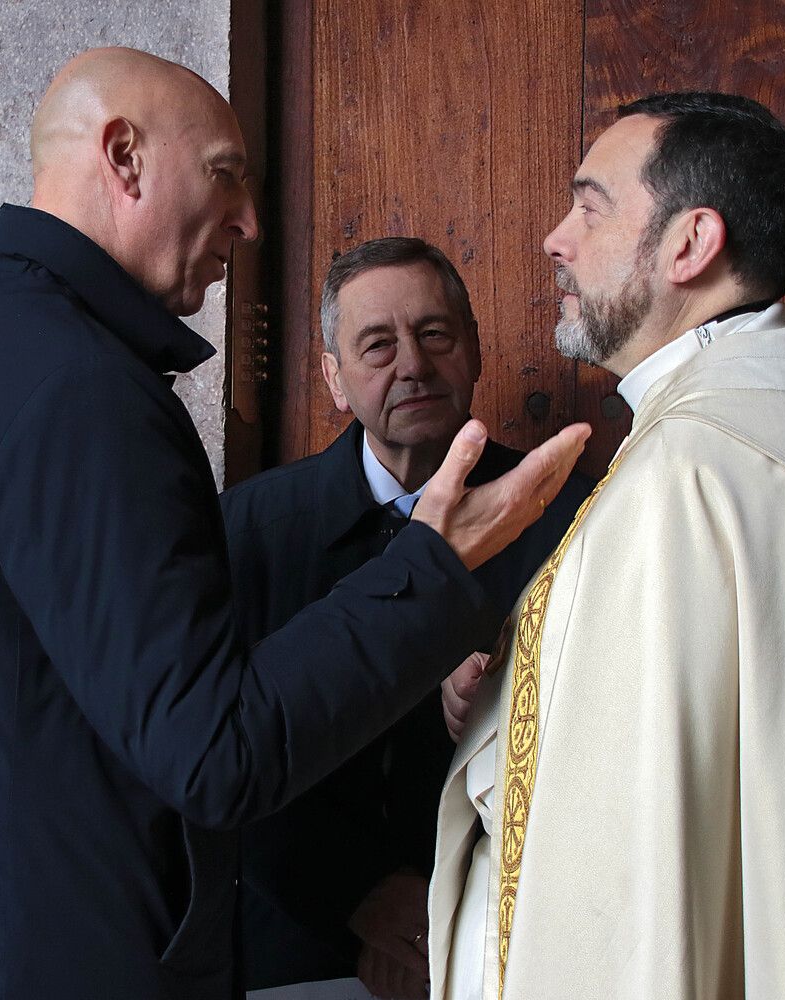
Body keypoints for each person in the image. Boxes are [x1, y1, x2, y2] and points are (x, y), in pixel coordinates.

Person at [0, 48, 587, 1000]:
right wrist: (431, 566)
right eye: (226, 175)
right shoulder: (70, 382)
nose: (248, 220)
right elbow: (214, 753)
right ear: (123, 157)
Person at [427, 92, 785, 1000]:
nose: (555, 238)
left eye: (590, 206)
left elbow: (627, 868)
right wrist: (504, 690)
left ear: (690, 245)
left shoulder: (690, 476)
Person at [221, 237, 592, 998]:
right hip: (295, 944)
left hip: (517, 945)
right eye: (378, 345)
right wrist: (359, 897)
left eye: (434, 335)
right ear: (334, 376)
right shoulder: (250, 529)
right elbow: (210, 743)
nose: (413, 365)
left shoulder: (569, 515)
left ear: (475, 350)